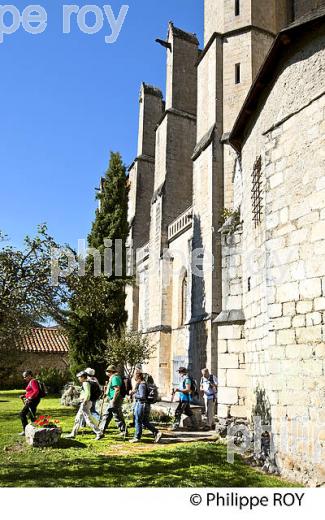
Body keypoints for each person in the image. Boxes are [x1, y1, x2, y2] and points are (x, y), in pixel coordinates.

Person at [65, 371, 103, 440]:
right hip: (87, 402)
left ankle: (99, 433)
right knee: (78, 418)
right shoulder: (88, 382)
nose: (78, 378)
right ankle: (73, 434)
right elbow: (84, 391)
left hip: (85, 403)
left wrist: (85, 401)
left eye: (79, 377)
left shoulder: (85, 383)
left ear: (82, 377)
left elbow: (88, 394)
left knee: (88, 419)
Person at [129, 372, 162, 443]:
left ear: (138, 377)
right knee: (145, 422)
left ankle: (137, 437)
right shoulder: (144, 384)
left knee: (138, 421)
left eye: (135, 377)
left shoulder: (142, 385)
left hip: (141, 405)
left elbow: (142, 396)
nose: (134, 378)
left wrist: (134, 395)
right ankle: (157, 433)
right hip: (145, 405)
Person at [99, 365, 127, 438]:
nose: (106, 372)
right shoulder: (113, 377)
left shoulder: (115, 378)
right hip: (114, 399)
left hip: (116, 399)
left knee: (116, 415)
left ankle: (123, 431)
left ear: (111, 372)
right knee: (108, 415)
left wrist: (114, 400)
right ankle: (101, 431)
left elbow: (117, 389)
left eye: (107, 371)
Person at [172, 367, 198, 431]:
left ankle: (175, 426)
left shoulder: (187, 379)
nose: (178, 373)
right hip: (182, 398)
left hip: (185, 398)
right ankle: (195, 426)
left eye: (179, 372)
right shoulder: (183, 379)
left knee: (178, 411)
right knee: (188, 412)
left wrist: (178, 390)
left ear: (182, 372)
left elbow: (188, 389)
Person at [18, 370, 42, 435]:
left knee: (22, 414)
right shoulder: (31, 382)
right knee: (31, 415)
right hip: (34, 400)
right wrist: (24, 395)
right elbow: (31, 392)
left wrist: (29, 398)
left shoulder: (33, 381)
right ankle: (34, 430)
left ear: (29, 375)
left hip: (33, 400)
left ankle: (25, 431)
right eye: (24, 377)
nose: (24, 378)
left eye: (25, 376)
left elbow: (36, 391)